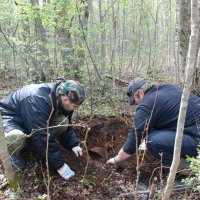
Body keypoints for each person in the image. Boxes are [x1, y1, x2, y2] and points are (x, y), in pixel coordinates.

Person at [107, 77, 200, 173]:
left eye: (135, 101)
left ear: (140, 93)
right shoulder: (168, 88)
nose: (136, 105)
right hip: (194, 131)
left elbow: (136, 135)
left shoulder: (147, 104)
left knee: (152, 141)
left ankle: (192, 168)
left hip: (197, 140)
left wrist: (117, 159)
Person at [0, 79, 85, 180]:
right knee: (15, 137)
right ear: (66, 99)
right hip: (9, 118)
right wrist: (60, 166)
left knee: (63, 122)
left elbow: (67, 124)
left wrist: (73, 143)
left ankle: (30, 147)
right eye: (75, 106)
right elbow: (40, 135)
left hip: (30, 121)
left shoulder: (61, 98)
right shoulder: (38, 99)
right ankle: (12, 155)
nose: (75, 109)